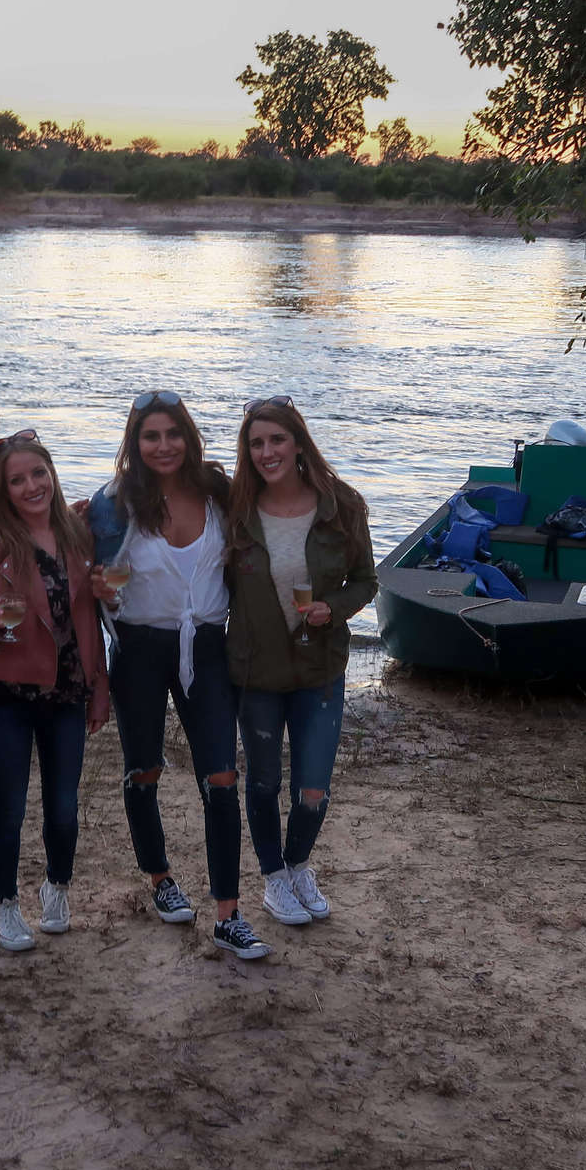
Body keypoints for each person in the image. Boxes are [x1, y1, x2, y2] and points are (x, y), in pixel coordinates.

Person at [85, 391, 270, 960]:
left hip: (208, 648)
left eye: (173, 434)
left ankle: (228, 915)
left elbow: (283, 509)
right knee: (144, 770)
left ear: (188, 438)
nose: (163, 446)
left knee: (221, 775)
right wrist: (96, 590)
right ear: (134, 444)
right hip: (138, 648)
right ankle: (160, 878)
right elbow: (66, 555)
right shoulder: (113, 504)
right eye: (151, 436)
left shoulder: (219, 493)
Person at [223, 397, 377, 927]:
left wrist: (331, 609)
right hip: (256, 671)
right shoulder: (235, 509)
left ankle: (298, 865)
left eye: (277, 440)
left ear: (298, 442)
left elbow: (365, 581)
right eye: (256, 443)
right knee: (263, 783)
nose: (267, 452)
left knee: (314, 786)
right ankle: (273, 878)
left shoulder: (342, 506)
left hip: (320, 670)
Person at [0, 431, 110, 953]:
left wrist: (99, 685)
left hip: (67, 693)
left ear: (52, 473)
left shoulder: (77, 532)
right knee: (9, 808)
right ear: (1, 491)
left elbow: (88, 617)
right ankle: (5, 905)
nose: (31, 486)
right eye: (17, 480)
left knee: (64, 808)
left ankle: (57, 887)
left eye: (38, 474)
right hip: (6, 693)